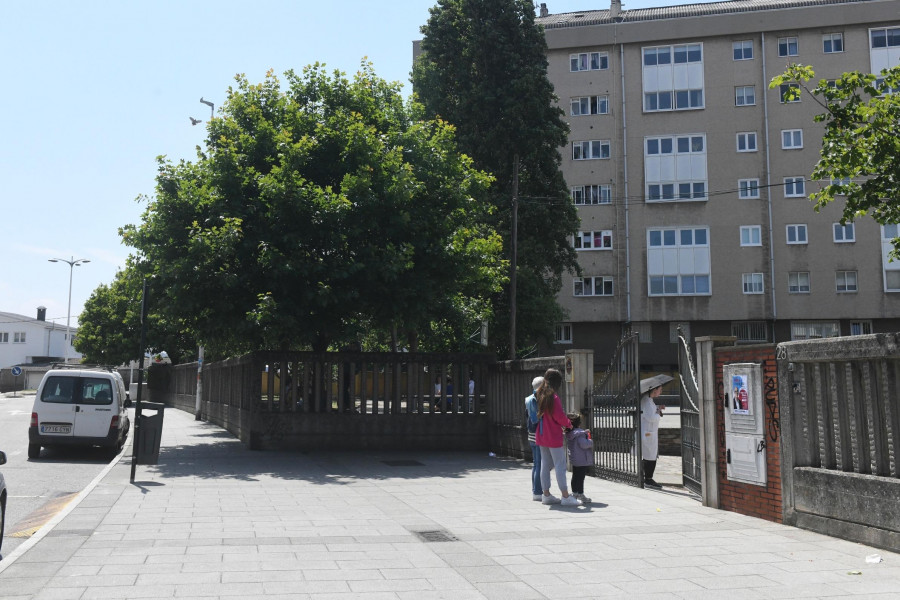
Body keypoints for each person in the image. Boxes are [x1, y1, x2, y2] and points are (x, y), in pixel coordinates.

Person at [535, 368, 581, 506]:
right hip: (553, 436)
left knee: (545, 465)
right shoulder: (553, 398)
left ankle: (546, 494)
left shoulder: (539, 394)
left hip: (541, 434)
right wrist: (569, 424)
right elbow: (560, 417)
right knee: (560, 466)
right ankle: (565, 496)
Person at [639, 374, 672, 489]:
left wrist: (658, 408)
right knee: (650, 456)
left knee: (650, 455)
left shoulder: (649, 400)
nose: (661, 392)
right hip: (648, 433)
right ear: (654, 390)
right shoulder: (647, 401)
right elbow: (651, 417)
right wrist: (658, 413)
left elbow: (651, 412)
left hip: (649, 432)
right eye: (660, 389)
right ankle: (648, 479)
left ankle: (645, 477)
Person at [565, 412, 593, 503]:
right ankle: (581, 494)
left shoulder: (570, 433)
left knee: (575, 476)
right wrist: (590, 441)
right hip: (582, 459)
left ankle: (575, 493)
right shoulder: (580, 434)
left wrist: (584, 433)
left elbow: (578, 437)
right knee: (581, 477)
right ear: (579, 423)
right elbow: (583, 444)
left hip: (575, 459)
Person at [524, 376, 544, 501]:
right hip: (537, 434)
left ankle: (535, 490)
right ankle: (537, 491)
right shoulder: (535, 400)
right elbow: (536, 419)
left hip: (530, 434)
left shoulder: (527, 399)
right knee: (539, 464)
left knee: (536, 464)